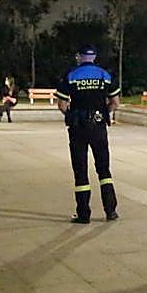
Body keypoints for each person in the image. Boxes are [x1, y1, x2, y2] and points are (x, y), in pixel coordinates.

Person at [55, 43, 120, 223]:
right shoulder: (104, 75)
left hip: (78, 128)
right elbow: (115, 102)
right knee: (104, 169)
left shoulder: (71, 75)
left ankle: (83, 213)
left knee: (81, 170)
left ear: (79, 57)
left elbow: (61, 104)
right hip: (99, 126)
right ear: (94, 57)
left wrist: (72, 115)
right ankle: (110, 210)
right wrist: (103, 112)